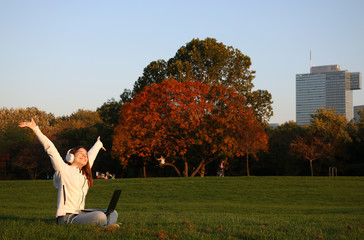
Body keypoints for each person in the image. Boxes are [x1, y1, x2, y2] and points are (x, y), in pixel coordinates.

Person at [19, 118, 118, 226]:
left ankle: (105, 224)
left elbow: (91, 155)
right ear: (71, 156)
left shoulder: (84, 173)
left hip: (81, 214)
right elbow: (50, 148)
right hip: (67, 217)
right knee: (100, 216)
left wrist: (98, 144)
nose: (84, 156)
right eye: (80, 153)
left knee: (112, 212)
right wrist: (36, 129)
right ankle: (106, 225)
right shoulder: (63, 169)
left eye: (85, 155)